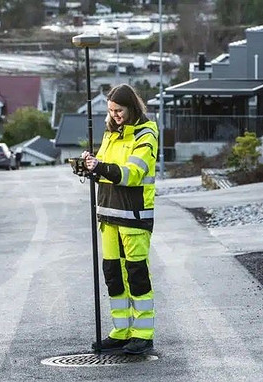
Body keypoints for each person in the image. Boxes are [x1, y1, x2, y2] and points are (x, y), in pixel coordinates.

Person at [81, 84, 158, 355]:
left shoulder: (146, 133)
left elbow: (132, 173)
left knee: (136, 275)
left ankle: (143, 334)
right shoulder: (111, 134)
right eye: (111, 111)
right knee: (113, 275)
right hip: (109, 214)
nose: (115, 115)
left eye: (119, 110)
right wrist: (90, 165)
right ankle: (121, 331)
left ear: (131, 107)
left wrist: (100, 167)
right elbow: (104, 170)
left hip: (134, 216)